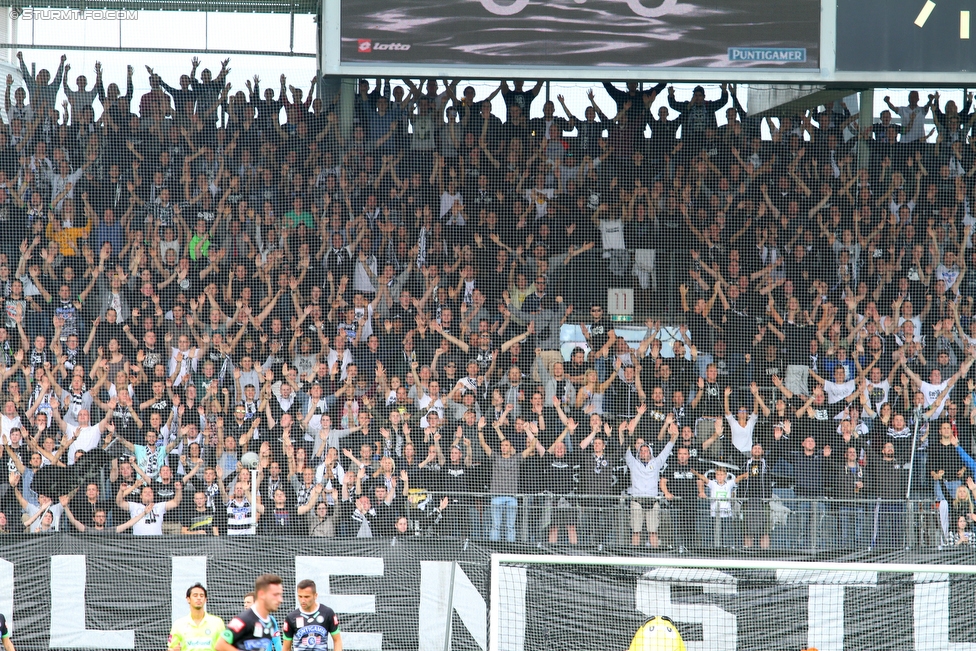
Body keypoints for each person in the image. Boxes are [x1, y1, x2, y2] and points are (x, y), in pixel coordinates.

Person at [218, 574, 284, 651]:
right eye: (275, 595)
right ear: (261, 594)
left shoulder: (271, 622)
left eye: (280, 595)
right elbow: (220, 645)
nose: (280, 600)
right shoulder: (243, 619)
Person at [282, 579, 342, 651]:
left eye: (306, 597)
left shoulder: (327, 613)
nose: (303, 600)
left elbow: (337, 640)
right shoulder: (291, 617)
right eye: (300, 596)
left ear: (315, 596)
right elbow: (286, 647)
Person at [168, 583, 225, 651]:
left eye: (201, 596)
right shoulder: (178, 624)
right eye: (195, 595)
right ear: (188, 599)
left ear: (205, 599)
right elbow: (171, 648)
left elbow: (224, 647)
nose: (199, 598)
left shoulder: (217, 622)